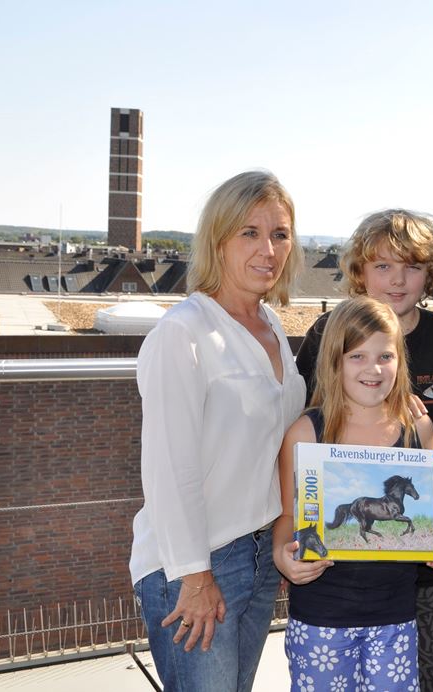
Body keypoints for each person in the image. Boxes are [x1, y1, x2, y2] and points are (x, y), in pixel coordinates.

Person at [130, 170, 307, 691]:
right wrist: (195, 575)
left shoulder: (271, 325)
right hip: (196, 563)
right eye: (248, 233)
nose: (267, 249)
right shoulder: (182, 333)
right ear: (217, 240)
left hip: (258, 555)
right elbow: (170, 468)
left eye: (279, 233)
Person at [294, 209, 433, 691]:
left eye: (412, 267)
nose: (398, 280)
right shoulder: (325, 334)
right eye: (383, 266)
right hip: (347, 580)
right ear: (360, 271)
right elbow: (312, 440)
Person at [273, 296, 433, 691]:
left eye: (385, 356)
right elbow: (288, 517)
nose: (374, 369)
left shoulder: (420, 432)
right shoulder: (306, 432)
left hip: (395, 616)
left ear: (400, 362)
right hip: (320, 616)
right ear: (334, 361)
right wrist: (283, 556)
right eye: (357, 356)